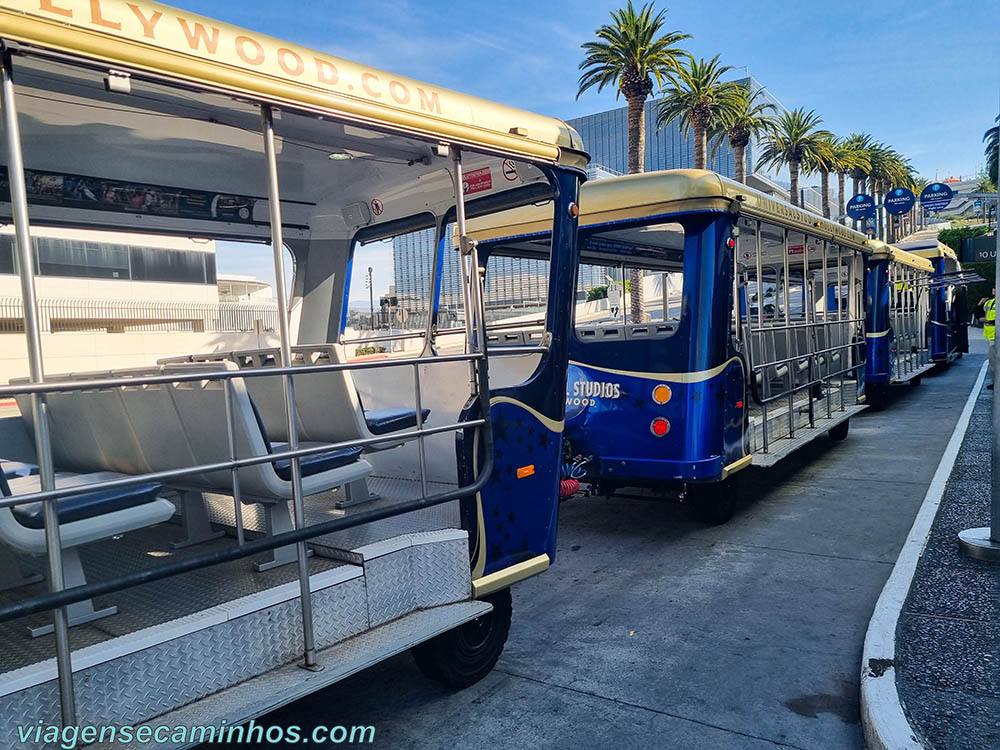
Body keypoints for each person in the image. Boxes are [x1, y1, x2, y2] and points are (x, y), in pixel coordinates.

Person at [980, 287, 995, 390]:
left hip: (996, 335)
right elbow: (979, 315)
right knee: (992, 361)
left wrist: (989, 321)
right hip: (991, 335)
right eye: (993, 288)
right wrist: (979, 304)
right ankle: (995, 382)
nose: (994, 290)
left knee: (995, 360)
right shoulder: (989, 302)